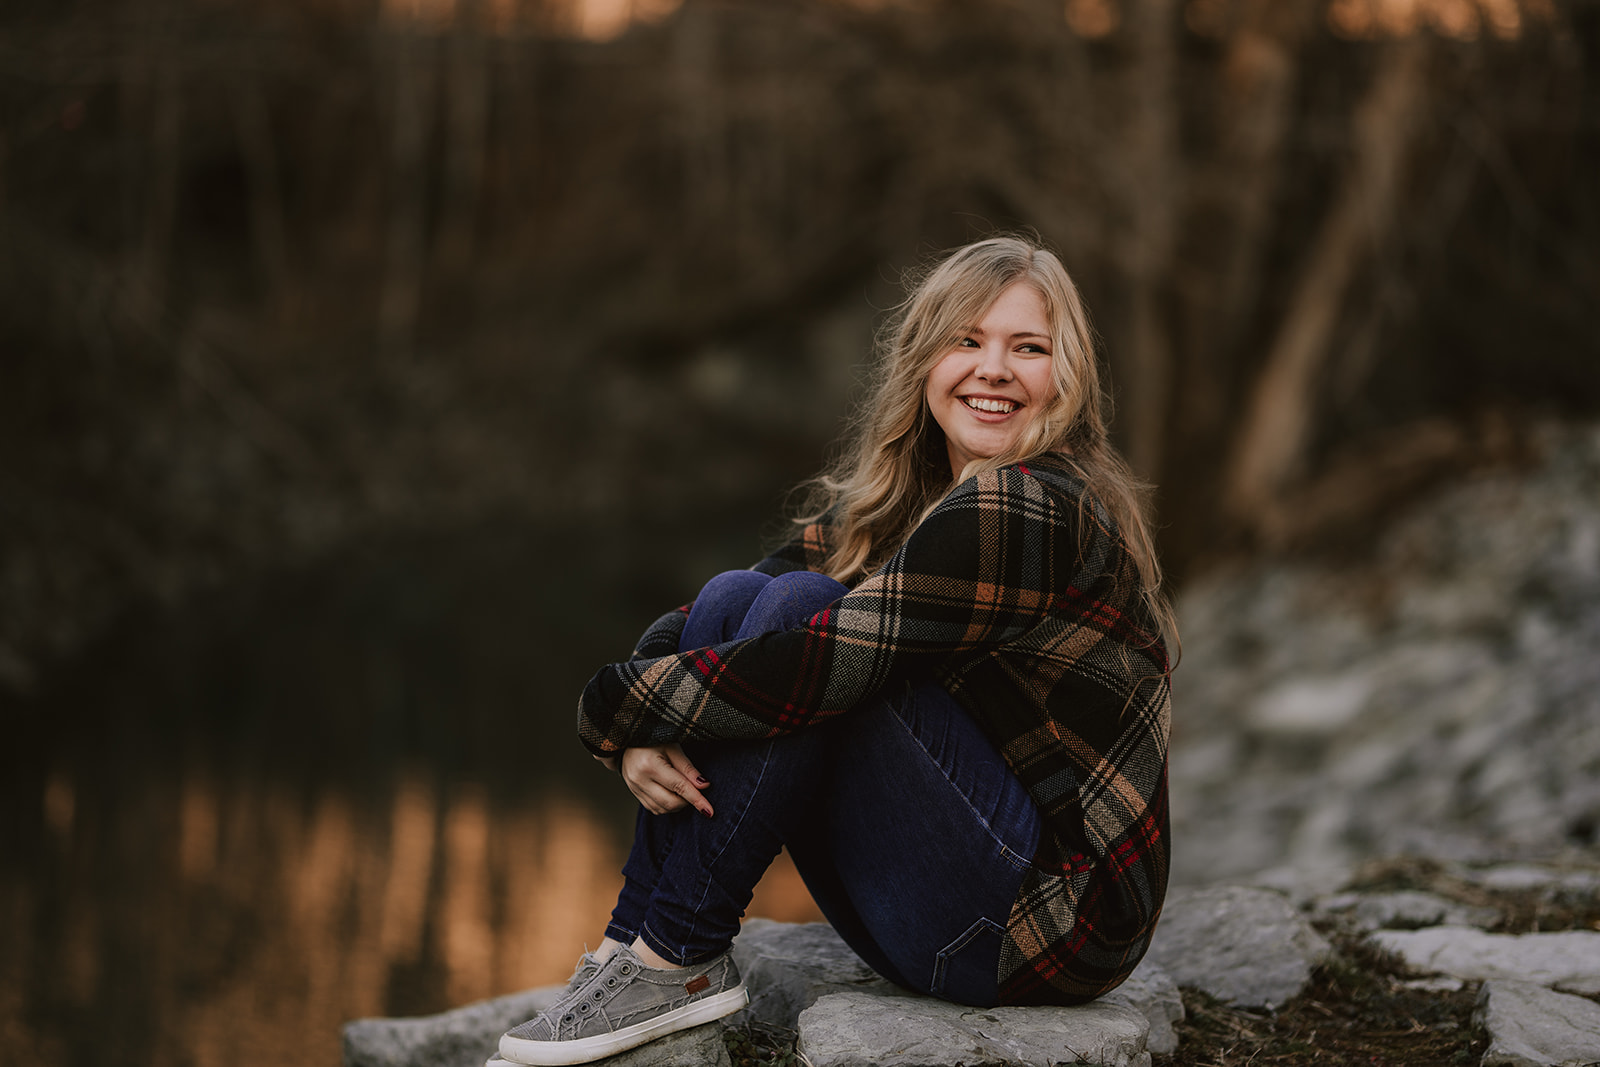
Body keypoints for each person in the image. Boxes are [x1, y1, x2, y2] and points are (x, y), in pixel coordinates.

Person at [491, 235, 1176, 1067]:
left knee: (805, 617)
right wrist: (642, 722)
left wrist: (613, 707)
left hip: (1048, 928)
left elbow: (815, 666)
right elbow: (726, 603)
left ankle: (678, 951)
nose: (993, 368)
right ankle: (630, 948)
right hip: (950, 910)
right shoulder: (916, 494)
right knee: (741, 596)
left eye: (1027, 348)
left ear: (1066, 377)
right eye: (967, 339)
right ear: (924, 359)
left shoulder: (1031, 505)